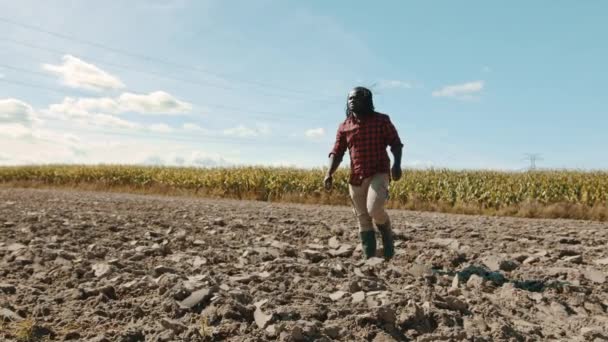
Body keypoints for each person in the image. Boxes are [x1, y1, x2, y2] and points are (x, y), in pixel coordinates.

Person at [324, 86, 404, 260]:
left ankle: (387, 237)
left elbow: (396, 144)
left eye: (356, 98)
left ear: (367, 100)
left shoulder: (381, 120)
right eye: (350, 98)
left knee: (374, 209)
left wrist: (397, 165)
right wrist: (329, 173)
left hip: (379, 172)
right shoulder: (344, 126)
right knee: (363, 219)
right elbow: (337, 152)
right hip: (356, 177)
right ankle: (371, 259)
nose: (352, 101)